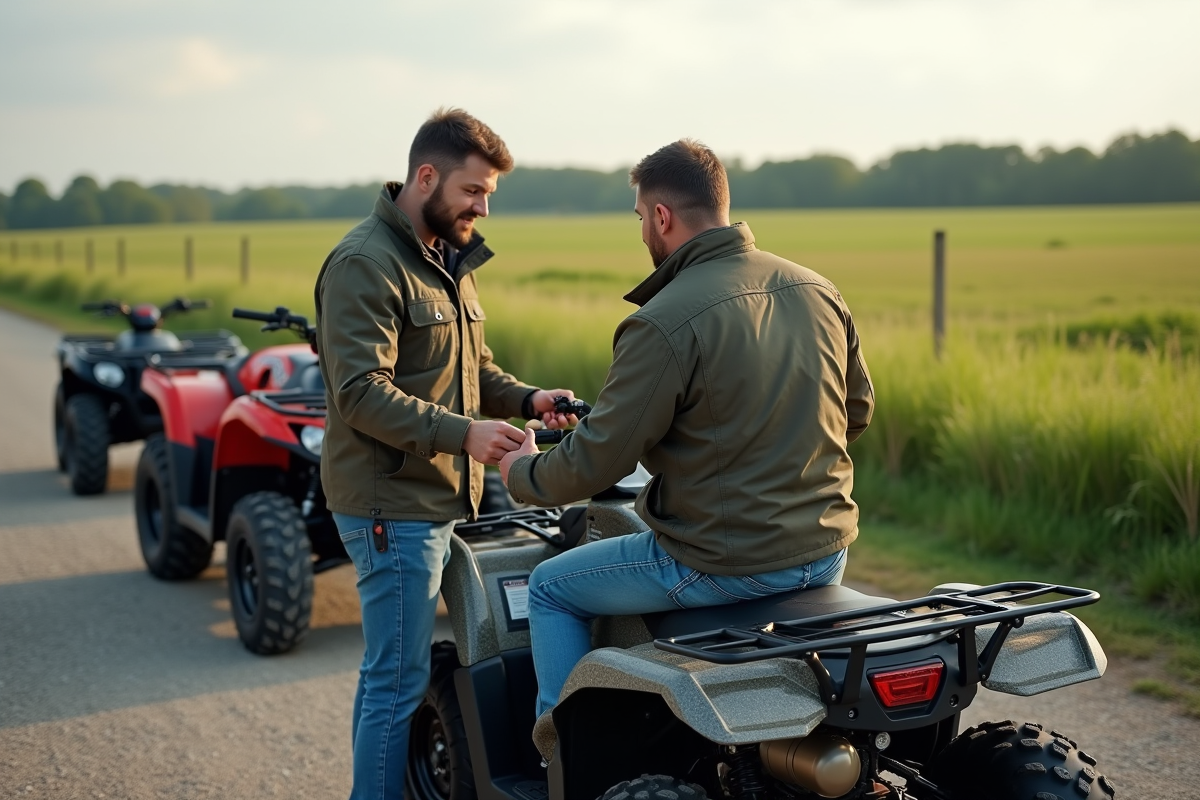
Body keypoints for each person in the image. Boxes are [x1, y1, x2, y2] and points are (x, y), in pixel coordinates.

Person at [499, 139, 875, 720]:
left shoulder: (661, 320)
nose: (643, 233)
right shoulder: (818, 289)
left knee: (550, 586)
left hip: (720, 563)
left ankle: (562, 754)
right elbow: (855, 412)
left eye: (640, 219)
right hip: (826, 551)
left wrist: (522, 470)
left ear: (661, 216)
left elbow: (599, 463)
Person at [314, 107, 576, 800]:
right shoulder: (365, 263)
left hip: (434, 499)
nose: (483, 206)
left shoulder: (448, 259)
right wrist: (464, 435)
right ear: (425, 176)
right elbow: (359, 393)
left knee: (403, 673)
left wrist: (526, 399)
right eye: (473, 190)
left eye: (490, 193)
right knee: (394, 681)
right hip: (389, 503)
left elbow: (473, 370)